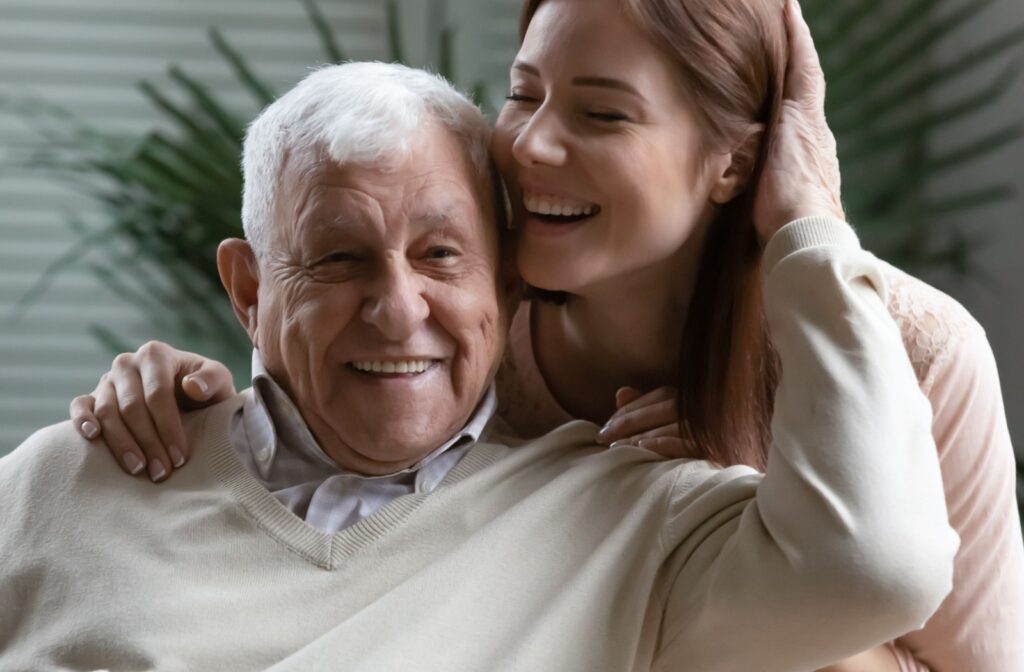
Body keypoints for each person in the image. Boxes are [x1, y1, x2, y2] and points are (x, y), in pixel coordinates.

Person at [66, 0, 1024, 669]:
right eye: (523, 94)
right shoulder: (462, 311)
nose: (531, 145)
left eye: (602, 112)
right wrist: (175, 397)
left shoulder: (914, 351)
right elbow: (309, 458)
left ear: (734, 160)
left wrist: (701, 553)